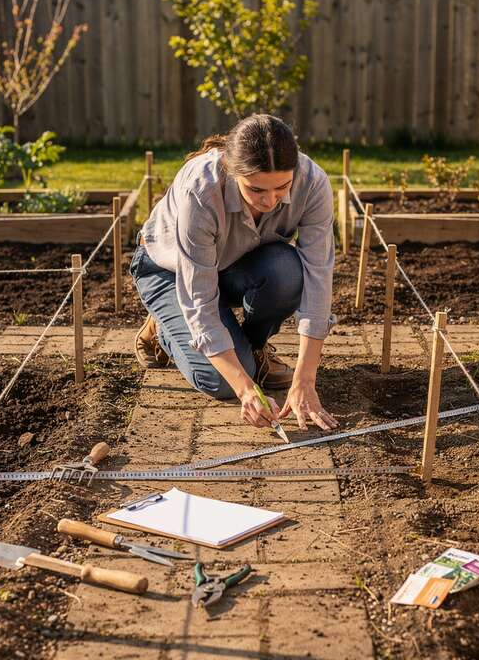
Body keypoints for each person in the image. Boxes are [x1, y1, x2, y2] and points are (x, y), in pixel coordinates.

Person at [130, 113, 340, 433]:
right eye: (256, 190)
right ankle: (164, 327)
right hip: (168, 270)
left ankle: (252, 351)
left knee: (288, 271)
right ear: (233, 171)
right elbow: (199, 298)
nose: (270, 201)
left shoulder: (312, 182)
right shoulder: (201, 190)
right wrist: (244, 389)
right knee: (222, 382)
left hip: (233, 262)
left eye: (281, 188)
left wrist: (305, 380)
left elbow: (318, 277)